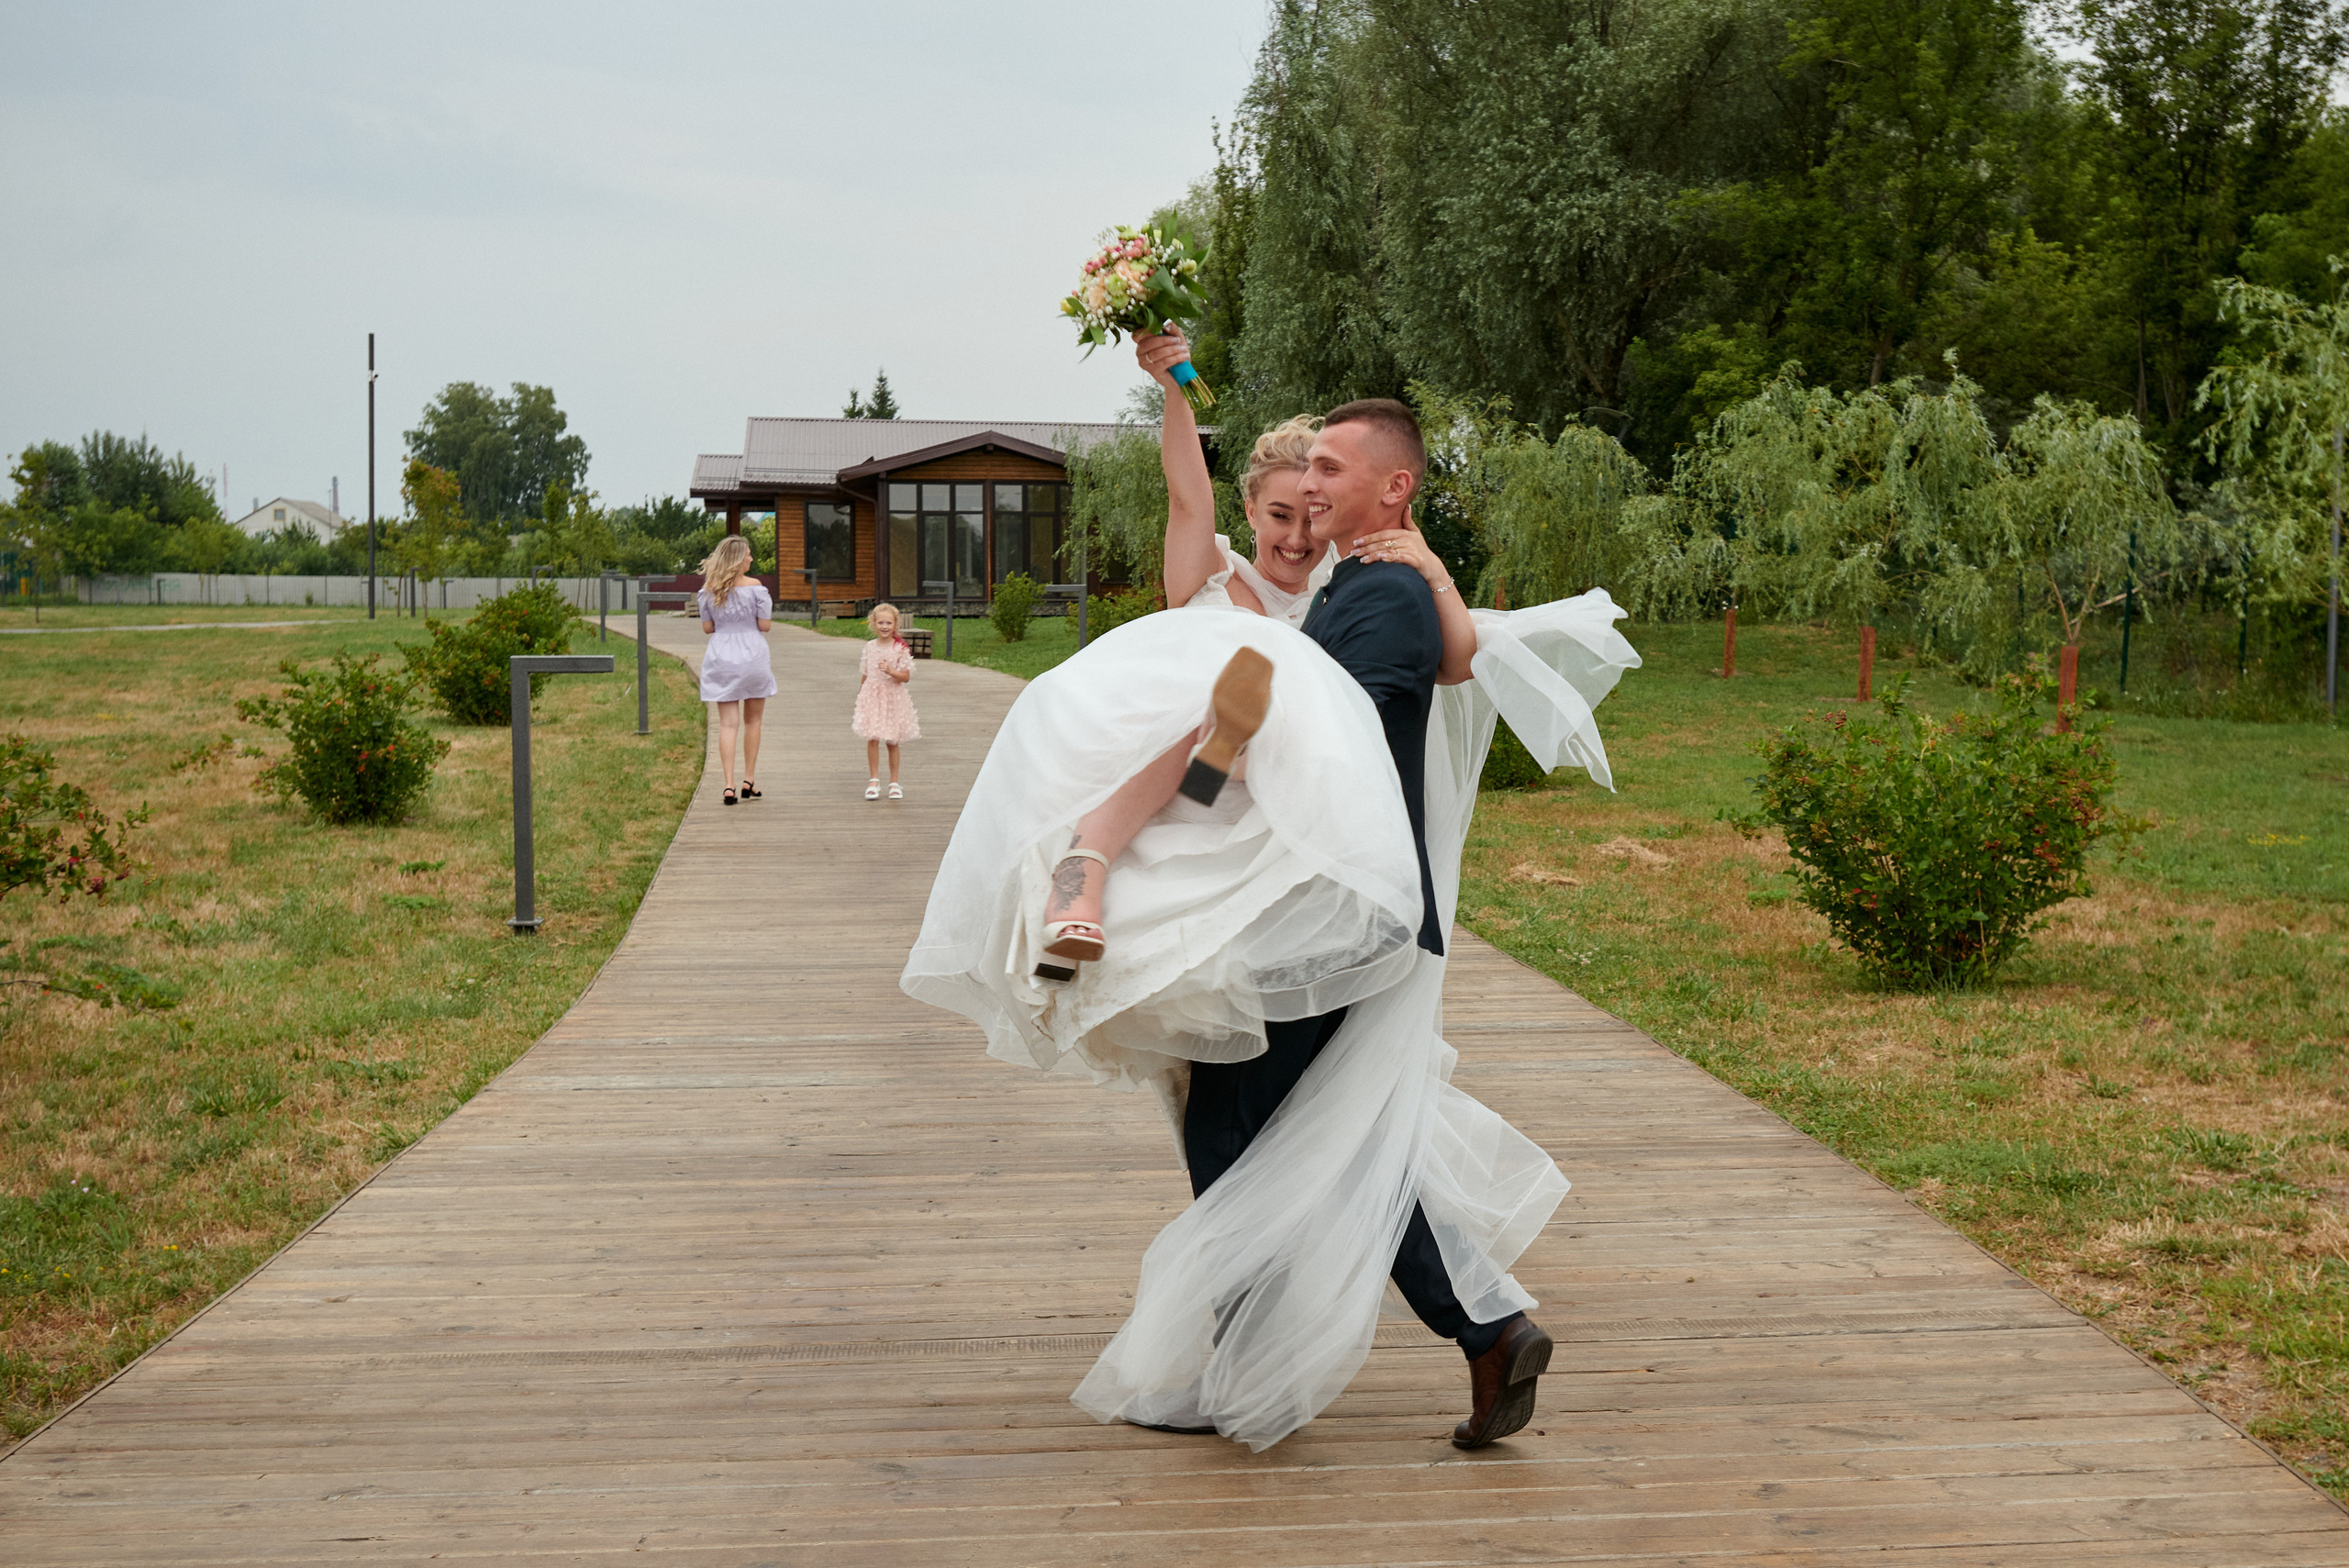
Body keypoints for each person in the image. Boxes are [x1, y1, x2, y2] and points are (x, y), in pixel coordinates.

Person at [902, 349, 1642, 1451]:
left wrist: (1410, 591)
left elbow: (1374, 702)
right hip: (1304, 889)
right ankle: (1483, 1326)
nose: (1312, 500)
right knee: (1323, 1131)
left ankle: (1302, 1354)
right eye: (1293, 491)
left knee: (1246, 1130)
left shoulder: (1372, 595)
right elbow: (1352, 657)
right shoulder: (1351, 589)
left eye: (1332, 473)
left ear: (1387, 488)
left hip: (1321, 908)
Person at [1038, 328, 1475, 971]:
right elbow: (1188, 494)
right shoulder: (1211, 572)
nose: (1298, 537)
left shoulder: (1333, 600)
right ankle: (1081, 871)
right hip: (1180, 774)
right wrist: (1174, 387)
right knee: (1215, 697)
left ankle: (1238, 742)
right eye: (1278, 515)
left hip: (1250, 796)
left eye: (1309, 516)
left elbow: (1457, 660)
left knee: (1269, 681)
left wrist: (1433, 562)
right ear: (1248, 509)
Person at [696, 535, 774, 806]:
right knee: (753, 721)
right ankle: (748, 780)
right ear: (739, 560)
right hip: (752, 655)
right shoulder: (757, 589)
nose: (752, 558)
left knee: (728, 724)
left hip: (721, 657)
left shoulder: (708, 590)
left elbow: (708, 628)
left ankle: (728, 785)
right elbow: (764, 625)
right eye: (749, 555)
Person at [852, 602, 919, 800]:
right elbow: (865, 673)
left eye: (888, 623)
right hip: (872, 695)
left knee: (892, 740)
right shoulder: (869, 647)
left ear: (895, 625)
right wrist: (860, 696)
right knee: (872, 737)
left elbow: (906, 676)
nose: (884, 626)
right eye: (880, 622)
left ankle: (894, 782)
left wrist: (891, 671)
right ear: (873, 623)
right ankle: (873, 780)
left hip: (892, 696)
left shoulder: (900, 648)